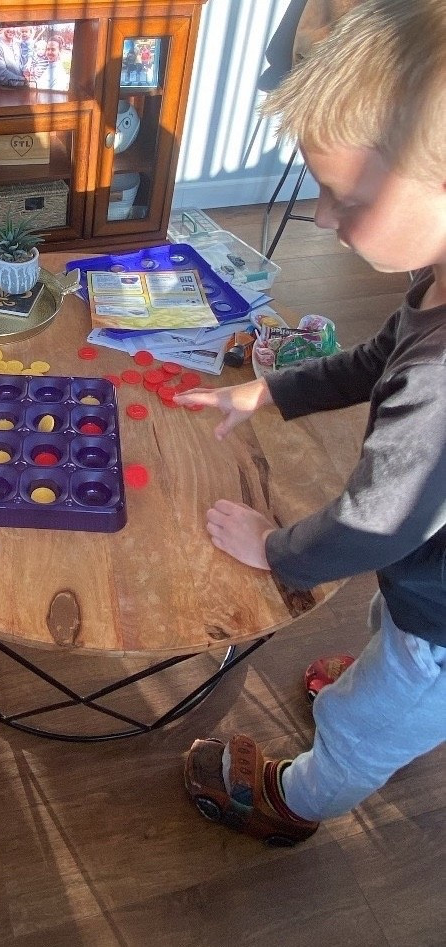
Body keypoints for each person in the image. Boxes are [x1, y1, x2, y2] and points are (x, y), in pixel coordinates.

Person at [176, 0, 445, 843]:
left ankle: (292, 802)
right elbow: (376, 356)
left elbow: (374, 526)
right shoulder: (438, 280)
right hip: (425, 593)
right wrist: (268, 393)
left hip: (441, 625)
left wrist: (274, 547)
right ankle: (394, 680)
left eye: (343, 196)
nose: (322, 218)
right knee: (395, 639)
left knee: (364, 727)